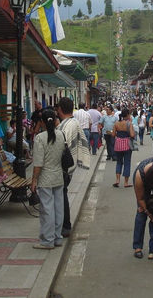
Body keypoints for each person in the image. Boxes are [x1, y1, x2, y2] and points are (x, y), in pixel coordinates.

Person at [30, 109, 66, 249]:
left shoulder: (40, 138)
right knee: (58, 208)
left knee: (47, 209)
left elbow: (38, 163)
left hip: (45, 178)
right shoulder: (61, 135)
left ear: (42, 122)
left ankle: (47, 240)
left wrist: (34, 180)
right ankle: (57, 237)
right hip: (58, 175)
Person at [56, 97, 90, 238]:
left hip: (63, 167)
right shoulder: (73, 123)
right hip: (70, 166)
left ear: (59, 109)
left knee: (61, 195)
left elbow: (62, 146)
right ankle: (63, 224)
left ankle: (65, 226)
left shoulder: (66, 126)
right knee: (61, 194)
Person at [113, 110, 135, 188]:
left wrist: (119, 134)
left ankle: (117, 180)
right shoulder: (129, 124)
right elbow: (132, 135)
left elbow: (113, 134)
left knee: (119, 162)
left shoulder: (116, 123)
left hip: (118, 144)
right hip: (127, 145)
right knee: (127, 163)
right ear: (128, 115)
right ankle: (126, 182)